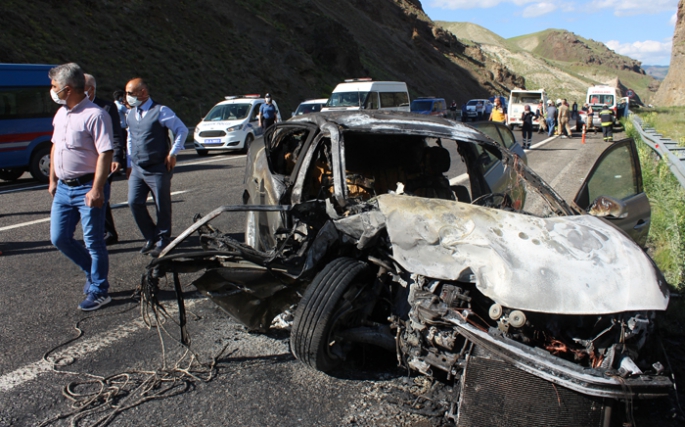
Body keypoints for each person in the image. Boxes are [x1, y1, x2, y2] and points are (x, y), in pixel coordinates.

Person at [48, 63, 114, 311]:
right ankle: (94, 273)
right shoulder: (61, 113)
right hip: (64, 188)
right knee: (59, 238)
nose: (51, 90)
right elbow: (55, 146)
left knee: (93, 241)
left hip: (87, 186)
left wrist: (97, 188)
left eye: (54, 86)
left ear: (67, 89)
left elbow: (105, 153)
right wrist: (53, 179)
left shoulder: (96, 115)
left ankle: (99, 290)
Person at [125, 77, 188, 257]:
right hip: (138, 168)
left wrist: (173, 153)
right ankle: (151, 236)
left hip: (157, 166)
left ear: (142, 92)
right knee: (134, 202)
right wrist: (129, 161)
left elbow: (182, 130)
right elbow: (130, 137)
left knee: (162, 204)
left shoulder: (161, 111)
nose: (127, 97)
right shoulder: (130, 113)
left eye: (130, 93)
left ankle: (163, 239)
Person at [84, 74, 124, 245]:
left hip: (104, 159)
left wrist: (116, 157)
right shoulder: (76, 108)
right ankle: (106, 231)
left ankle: (105, 233)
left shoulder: (107, 107)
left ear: (91, 89)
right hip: (85, 161)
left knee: (99, 193)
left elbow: (116, 134)